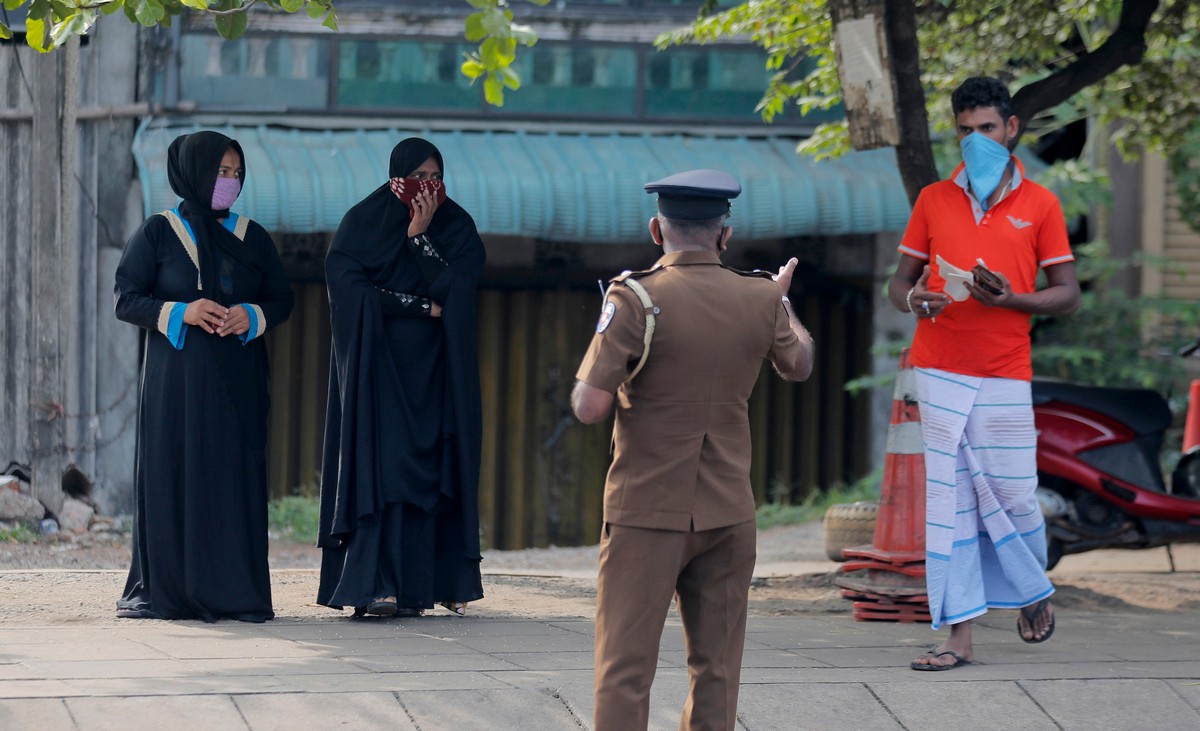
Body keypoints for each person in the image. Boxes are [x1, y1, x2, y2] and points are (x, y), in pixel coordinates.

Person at [572, 170, 814, 730]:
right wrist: (781, 301)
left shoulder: (634, 298)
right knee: (718, 669)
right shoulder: (760, 297)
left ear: (657, 230)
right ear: (724, 234)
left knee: (624, 668)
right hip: (729, 511)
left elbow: (589, 407)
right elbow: (799, 364)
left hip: (646, 511)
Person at [889, 77, 1081, 670]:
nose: (977, 140)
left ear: (1012, 128)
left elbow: (1067, 294)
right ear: (957, 131)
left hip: (1004, 370)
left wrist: (1010, 301)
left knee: (1017, 495)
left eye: (988, 129)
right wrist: (916, 300)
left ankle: (1030, 590)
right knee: (951, 504)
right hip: (939, 368)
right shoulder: (932, 199)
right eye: (967, 130)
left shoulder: (1041, 203)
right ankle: (958, 639)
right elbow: (898, 284)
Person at [114, 130, 294, 622]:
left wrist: (251, 315)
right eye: (220, 171)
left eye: (236, 173)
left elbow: (282, 299)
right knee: (174, 472)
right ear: (194, 171)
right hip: (176, 386)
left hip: (237, 384)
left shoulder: (251, 235)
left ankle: (234, 593)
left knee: (231, 479)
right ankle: (167, 590)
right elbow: (126, 299)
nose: (230, 182)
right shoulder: (158, 230)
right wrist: (182, 311)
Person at [317, 137, 486, 619]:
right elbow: (348, 288)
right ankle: (378, 584)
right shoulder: (362, 222)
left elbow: (459, 287)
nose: (427, 187)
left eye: (435, 177)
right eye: (417, 177)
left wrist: (419, 234)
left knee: (434, 475)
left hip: (437, 374)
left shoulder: (456, 225)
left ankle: (435, 582)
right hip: (381, 371)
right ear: (396, 177)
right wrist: (415, 305)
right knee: (384, 470)